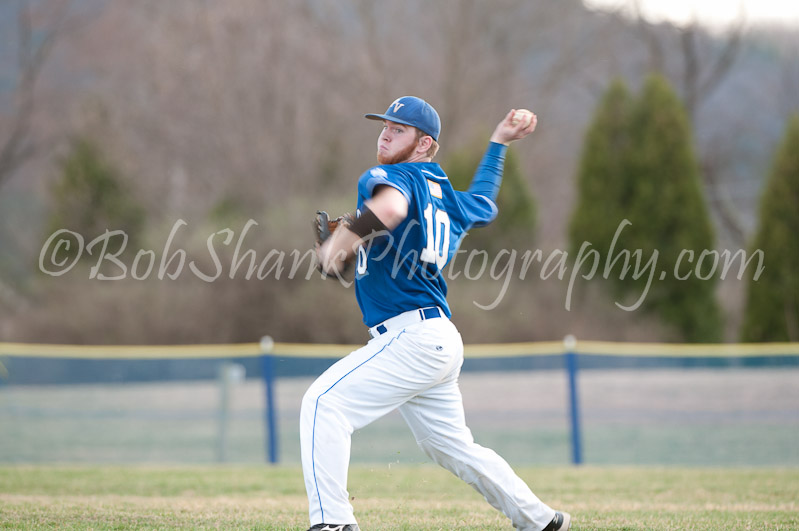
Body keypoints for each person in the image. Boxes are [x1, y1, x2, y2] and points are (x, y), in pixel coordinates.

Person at [302, 96, 571, 531]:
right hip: (437, 337)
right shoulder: (444, 194)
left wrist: (343, 239)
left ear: (425, 143)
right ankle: (540, 520)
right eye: (384, 126)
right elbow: (483, 199)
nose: (386, 134)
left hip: (411, 337)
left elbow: (390, 209)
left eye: (398, 129)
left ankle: (332, 523)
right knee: (450, 446)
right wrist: (498, 142)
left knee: (322, 403)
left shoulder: (389, 176)